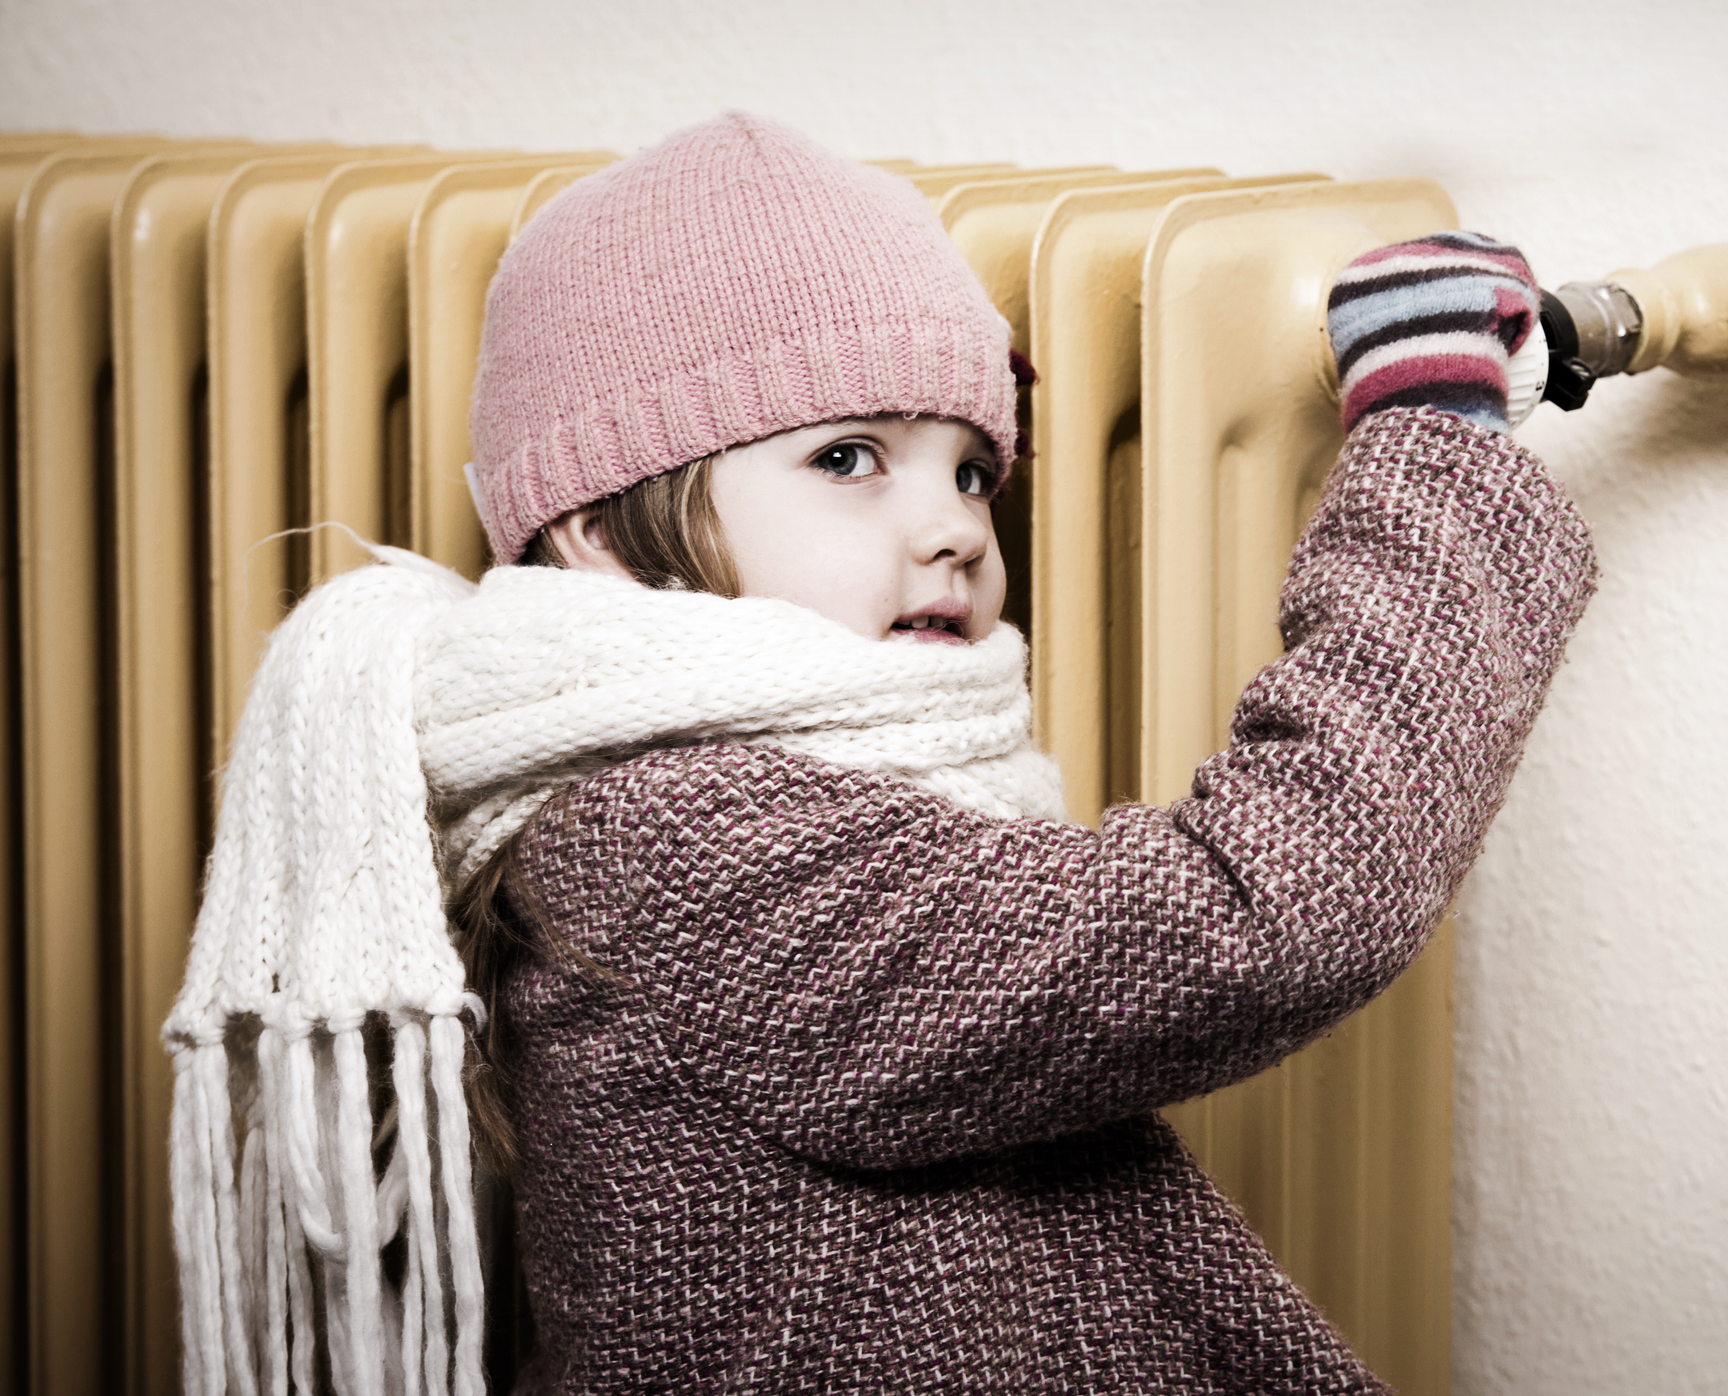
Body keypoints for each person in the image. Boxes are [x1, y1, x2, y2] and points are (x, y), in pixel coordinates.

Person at [165, 113, 1595, 1396]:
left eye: (968, 464)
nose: (957, 526)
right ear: (599, 528)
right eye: (850, 457)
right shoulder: (671, 836)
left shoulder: (702, 798)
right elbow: (1244, 914)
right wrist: (1431, 437)